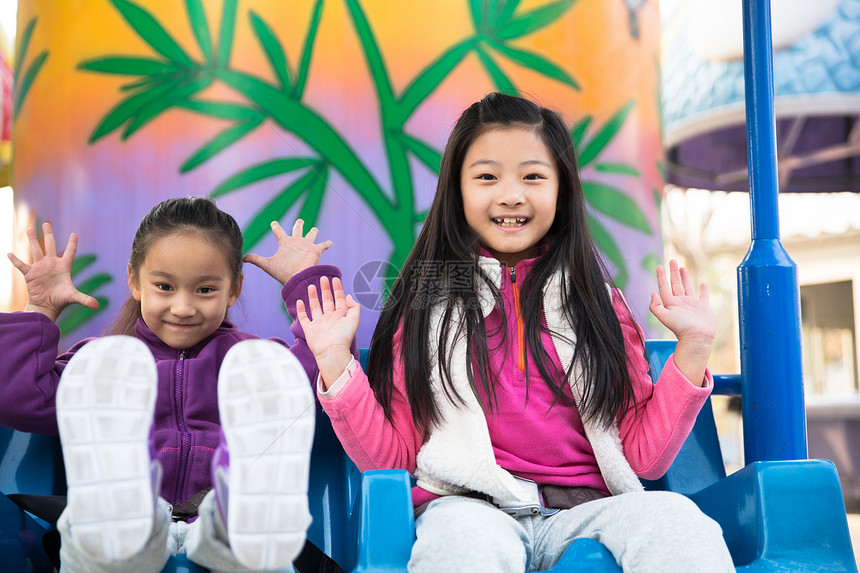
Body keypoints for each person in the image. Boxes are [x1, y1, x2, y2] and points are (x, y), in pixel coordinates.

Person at [295, 93, 734, 572]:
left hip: (585, 511)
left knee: (678, 519)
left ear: (562, 190)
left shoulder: (598, 304)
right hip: (467, 509)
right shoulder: (423, 308)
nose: (511, 194)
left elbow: (644, 459)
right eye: (486, 177)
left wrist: (693, 348)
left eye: (533, 176)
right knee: (462, 549)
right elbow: (393, 459)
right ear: (456, 191)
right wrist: (337, 362)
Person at [1, 197, 353, 572]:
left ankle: (245, 507)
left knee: (274, 400)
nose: (183, 307)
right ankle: (117, 506)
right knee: (111, 524)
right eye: (165, 286)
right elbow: (21, 399)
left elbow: (321, 366)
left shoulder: (252, 362)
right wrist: (39, 309)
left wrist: (304, 282)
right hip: (139, 511)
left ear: (233, 290)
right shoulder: (103, 363)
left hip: (215, 514)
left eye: (204, 290)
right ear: (135, 281)